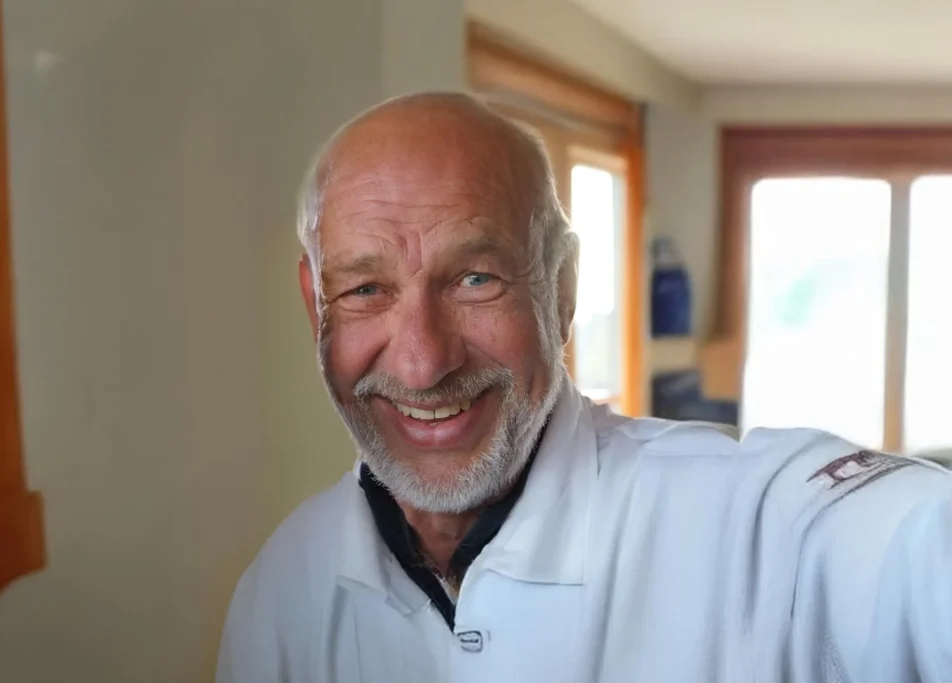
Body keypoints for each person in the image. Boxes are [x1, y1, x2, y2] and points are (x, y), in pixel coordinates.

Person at [217, 92, 952, 683]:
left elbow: (913, 552)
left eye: (475, 278)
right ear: (316, 307)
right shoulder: (282, 588)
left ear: (562, 289)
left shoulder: (753, 530)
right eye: (366, 289)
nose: (422, 363)